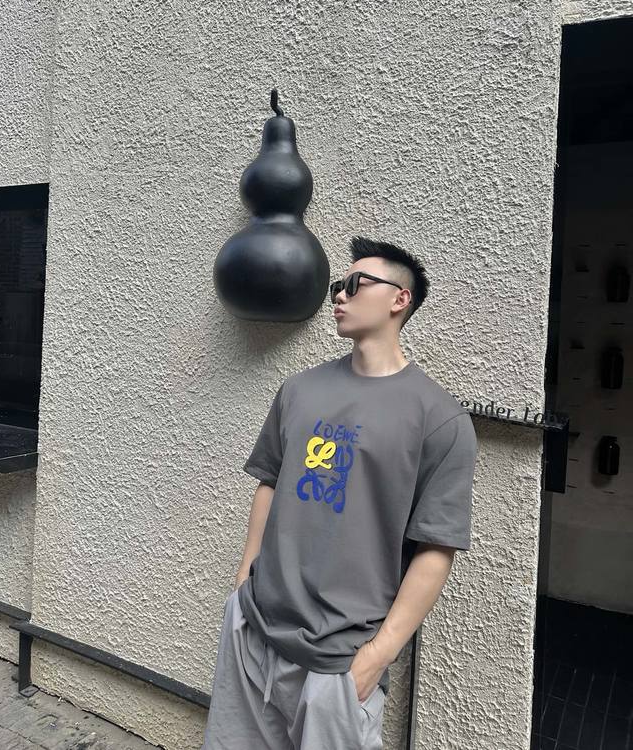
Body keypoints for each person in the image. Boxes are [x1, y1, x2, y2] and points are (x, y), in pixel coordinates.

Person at [201, 235, 478, 750]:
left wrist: (378, 655)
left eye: (355, 283)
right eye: (337, 286)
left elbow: (437, 546)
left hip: (339, 660)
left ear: (400, 299)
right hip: (254, 630)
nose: (340, 295)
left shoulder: (440, 420)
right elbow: (270, 480)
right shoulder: (299, 390)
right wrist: (244, 579)